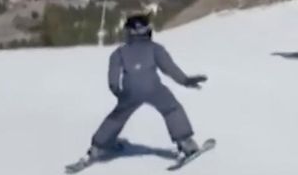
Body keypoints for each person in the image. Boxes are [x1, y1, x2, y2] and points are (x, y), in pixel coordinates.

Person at [84, 13, 207, 162]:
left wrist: (117, 91)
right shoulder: (155, 48)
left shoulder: (119, 52)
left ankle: (99, 147)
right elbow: (169, 68)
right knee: (171, 109)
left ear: (128, 32)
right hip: (153, 87)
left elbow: (113, 76)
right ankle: (186, 144)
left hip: (130, 90)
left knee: (117, 117)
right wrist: (185, 81)